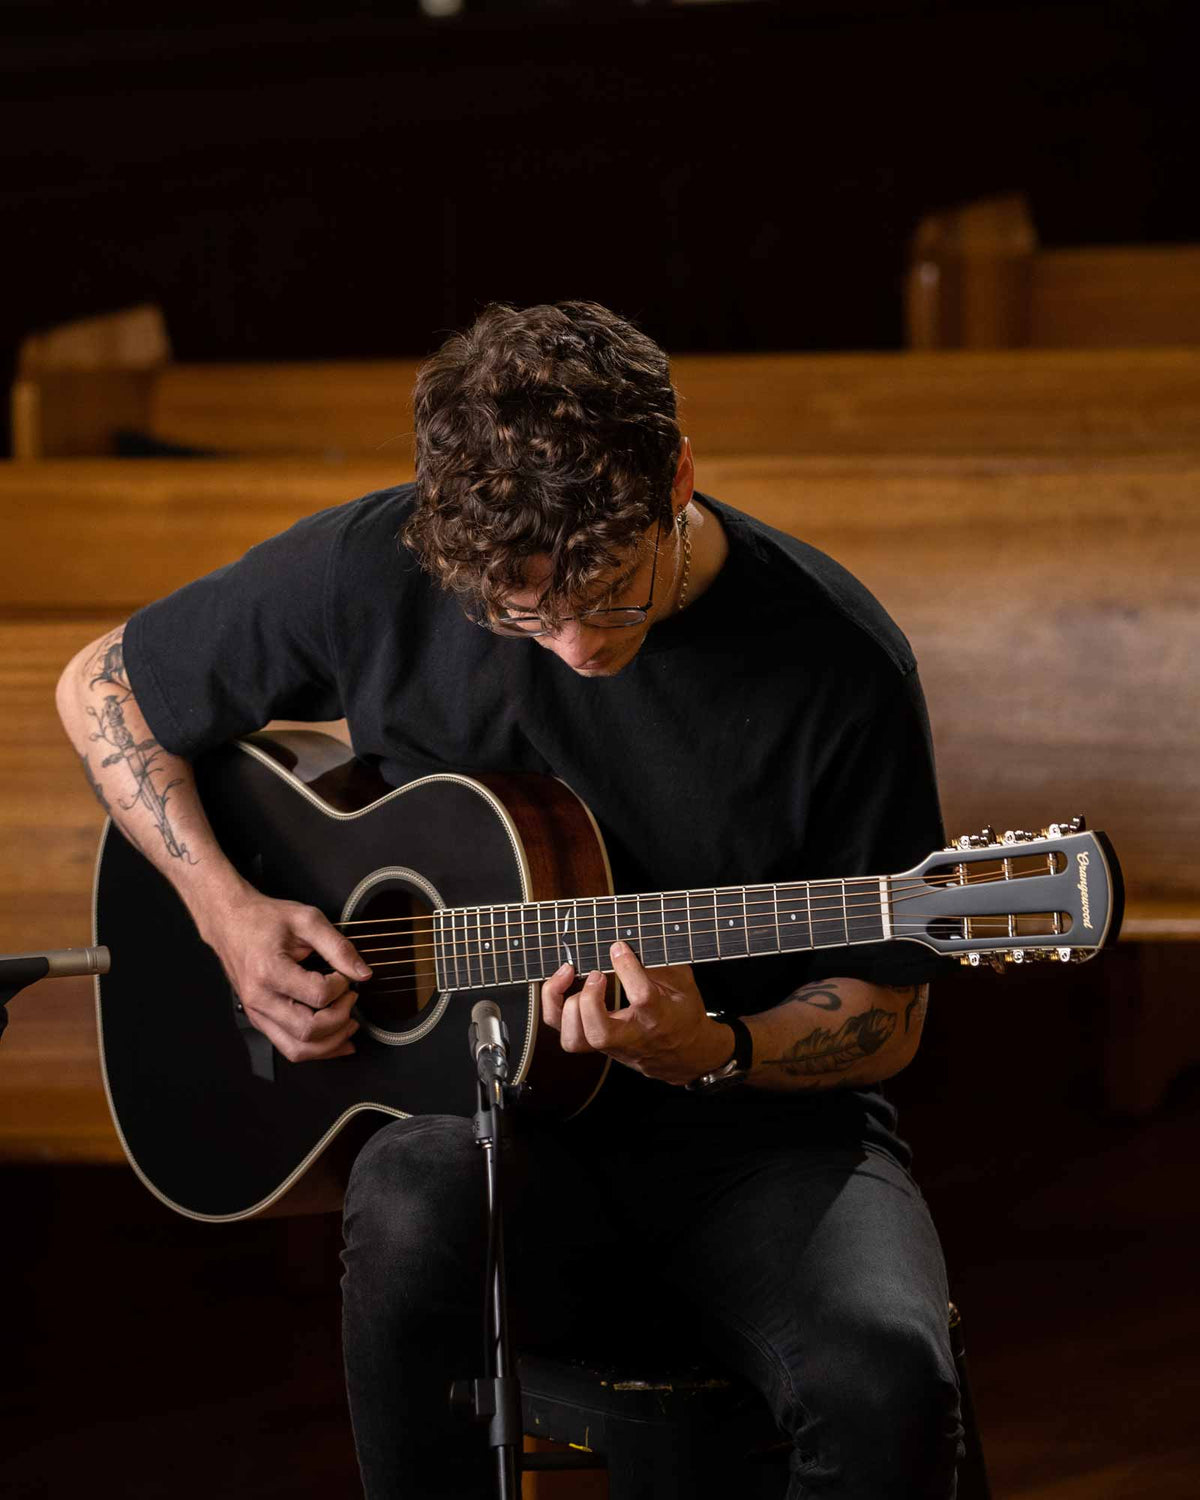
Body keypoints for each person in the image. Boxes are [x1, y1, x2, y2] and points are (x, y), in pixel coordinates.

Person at [57, 300, 963, 1498]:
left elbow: (888, 1014)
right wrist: (228, 913)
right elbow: (101, 686)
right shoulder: (372, 566)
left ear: (679, 475)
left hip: (763, 1151)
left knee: (887, 1375)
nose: (577, 644)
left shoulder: (837, 662)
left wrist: (713, 1046)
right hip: (501, 1143)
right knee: (408, 1192)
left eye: (614, 591)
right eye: (520, 615)